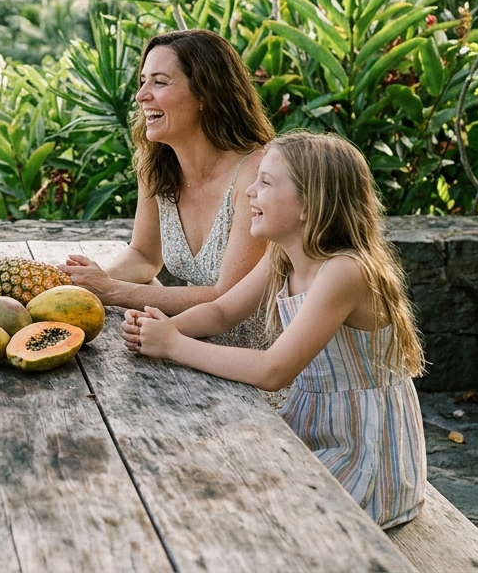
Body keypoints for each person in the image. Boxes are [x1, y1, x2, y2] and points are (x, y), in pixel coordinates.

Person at [123, 132, 427, 528]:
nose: (249, 191)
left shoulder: (344, 272)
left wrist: (174, 345)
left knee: (242, 517)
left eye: (265, 182)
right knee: (194, 473)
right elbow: (220, 312)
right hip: (312, 423)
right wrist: (158, 328)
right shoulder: (283, 253)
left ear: (309, 203)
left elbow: (272, 371)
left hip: (364, 449)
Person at [59, 29, 275, 348]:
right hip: (187, 350)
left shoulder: (257, 173)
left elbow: (227, 297)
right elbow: (144, 256)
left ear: (206, 94)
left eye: (159, 82)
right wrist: (87, 282)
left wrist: (113, 291)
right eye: (143, 81)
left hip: (257, 367)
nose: (142, 95)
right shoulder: (158, 166)